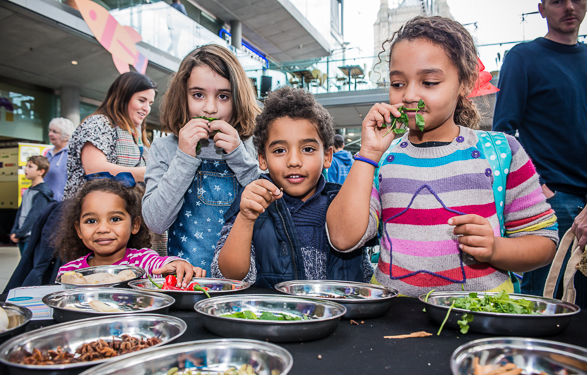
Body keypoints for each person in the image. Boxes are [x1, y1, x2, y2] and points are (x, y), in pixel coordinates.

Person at [326, 16, 559, 298]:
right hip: (395, 325)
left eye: (430, 82)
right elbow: (342, 239)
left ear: (464, 83)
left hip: (479, 318)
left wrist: (496, 249)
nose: (410, 95)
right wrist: (368, 155)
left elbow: (544, 242)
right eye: (398, 83)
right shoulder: (384, 160)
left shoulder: (501, 153)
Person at [211, 86, 373, 287]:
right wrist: (245, 219)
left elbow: (364, 275)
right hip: (273, 317)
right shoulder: (251, 202)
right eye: (279, 150)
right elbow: (228, 276)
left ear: (327, 156)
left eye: (307, 149)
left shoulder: (344, 204)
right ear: (262, 159)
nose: (294, 161)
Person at [492, 0, 587, 302]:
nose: (569, 7)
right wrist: (539, 189)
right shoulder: (524, 58)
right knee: (543, 311)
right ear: (542, 9)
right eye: (557, 1)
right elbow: (503, 133)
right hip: (552, 200)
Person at [143, 44, 261, 274]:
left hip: (245, 283)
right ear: (182, 96)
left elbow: (274, 210)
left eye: (223, 96)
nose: (210, 108)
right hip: (188, 284)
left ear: (238, 99)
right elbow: (156, 222)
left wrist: (238, 156)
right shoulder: (164, 148)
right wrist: (185, 157)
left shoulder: (252, 144)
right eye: (198, 95)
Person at [55, 178, 205, 287]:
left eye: (115, 219)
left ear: (135, 225)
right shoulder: (69, 271)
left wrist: (178, 264)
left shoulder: (142, 261)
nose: (103, 229)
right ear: (78, 230)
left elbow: (161, 264)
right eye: (91, 221)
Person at [63, 72, 157, 200]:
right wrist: (146, 173)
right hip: (91, 210)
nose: (146, 108)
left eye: (150, 103)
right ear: (123, 97)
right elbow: (94, 168)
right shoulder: (98, 123)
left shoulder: (136, 132)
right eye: (142, 100)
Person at [10, 156, 54, 255]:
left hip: (31, 237)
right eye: (26, 166)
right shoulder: (28, 191)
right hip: (22, 235)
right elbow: (20, 212)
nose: (26, 169)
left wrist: (19, 233)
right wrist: (15, 230)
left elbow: (34, 217)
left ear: (41, 171)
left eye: (30, 166)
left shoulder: (42, 193)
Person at [45, 117, 75, 201]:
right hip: (45, 202)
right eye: (50, 130)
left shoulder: (72, 154)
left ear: (66, 136)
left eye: (55, 132)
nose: (50, 134)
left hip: (61, 204)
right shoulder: (48, 153)